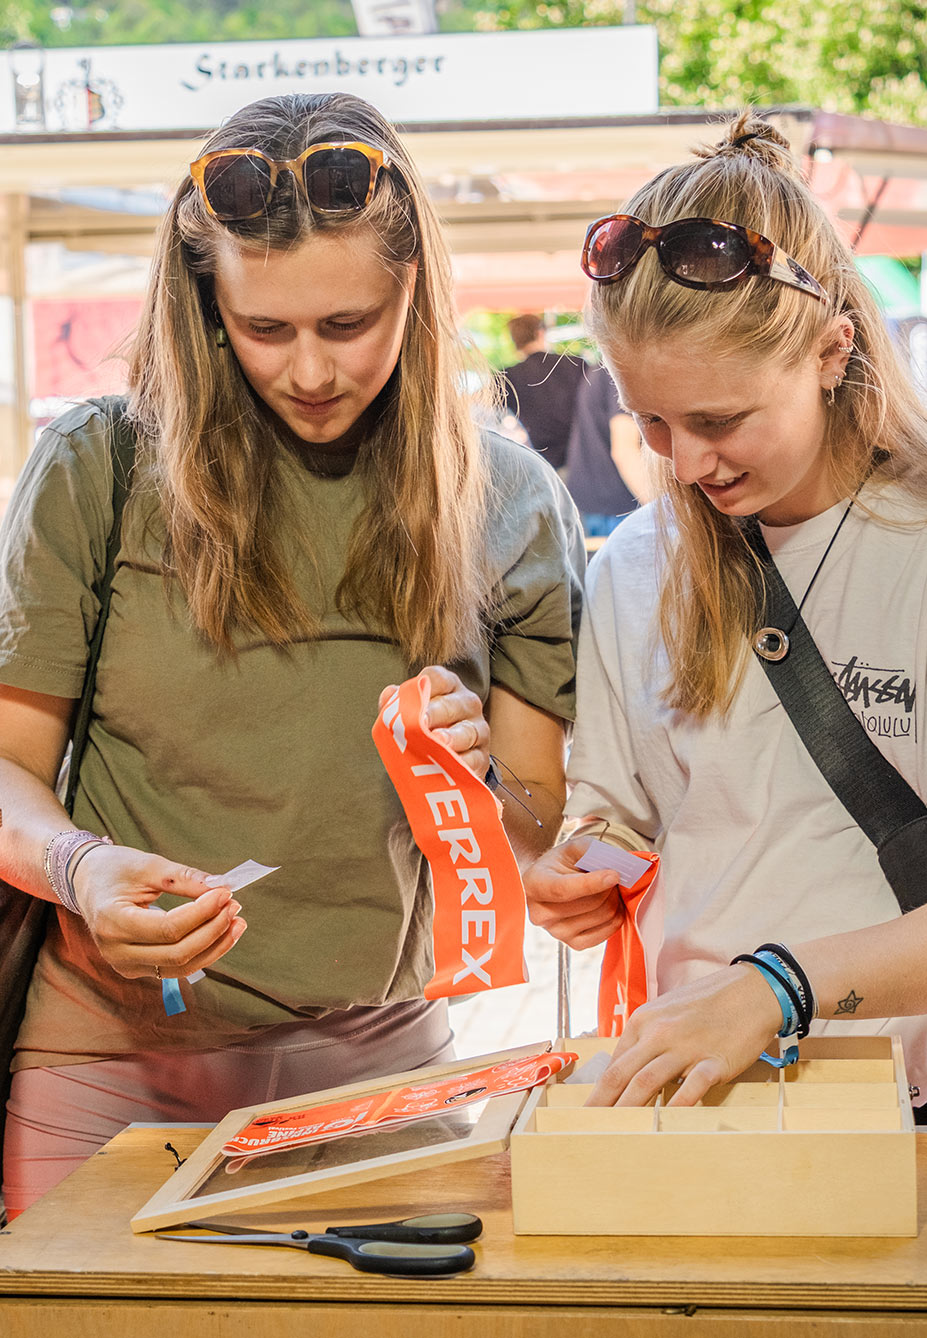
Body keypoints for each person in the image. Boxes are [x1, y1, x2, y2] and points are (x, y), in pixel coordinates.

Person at [0, 91, 584, 1218]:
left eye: (349, 322)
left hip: (385, 1069)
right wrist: (79, 869)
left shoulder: (512, 501)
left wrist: (477, 787)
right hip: (109, 1065)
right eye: (265, 329)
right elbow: (10, 774)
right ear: (206, 303)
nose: (311, 372)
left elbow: (538, 832)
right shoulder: (99, 467)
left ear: (416, 286)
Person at [524, 112, 927, 1123]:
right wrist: (583, 866)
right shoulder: (635, 570)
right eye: (648, 420)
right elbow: (627, 814)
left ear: (833, 352)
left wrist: (775, 988)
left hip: (902, 1098)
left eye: (718, 421)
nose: (685, 463)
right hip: (686, 1091)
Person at [564, 361, 647, 539]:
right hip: (619, 505)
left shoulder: (604, 367)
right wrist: (669, 513)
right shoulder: (623, 368)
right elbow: (625, 451)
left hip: (595, 499)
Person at [500, 315, 588, 471]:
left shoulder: (508, 378)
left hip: (545, 464)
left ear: (515, 341)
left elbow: (475, 405)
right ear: (540, 333)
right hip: (584, 456)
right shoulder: (576, 364)